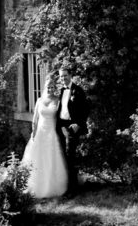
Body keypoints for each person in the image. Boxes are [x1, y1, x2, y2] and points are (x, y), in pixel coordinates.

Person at [21, 73, 68, 198]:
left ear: (55, 88)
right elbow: (35, 119)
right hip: (40, 133)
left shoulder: (58, 101)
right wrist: (33, 134)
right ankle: (34, 186)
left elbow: (62, 117)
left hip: (52, 134)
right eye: (48, 87)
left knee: (51, 159)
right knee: (36, 159)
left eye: (52, 87)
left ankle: (52, 187)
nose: (50, 89)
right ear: (45, 87)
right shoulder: (39, 100)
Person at [56, 66, 89, 196]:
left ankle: (72, 189)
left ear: (70, 76)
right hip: (60, 126)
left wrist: (79, 123)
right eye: (61, 76)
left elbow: (86, 109)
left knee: (70, 157)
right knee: (62, 156)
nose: (63, 78)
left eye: (65, 75)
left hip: (71, 127)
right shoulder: (59, 90)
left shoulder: (78, 90)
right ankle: (63, 186)